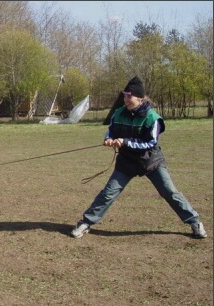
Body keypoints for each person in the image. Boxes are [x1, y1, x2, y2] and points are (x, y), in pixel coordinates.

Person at [71, 77, 207, 239]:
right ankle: (86, 222)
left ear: (140, 98)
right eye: (124, 96)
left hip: (150, 161)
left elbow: (150, 142)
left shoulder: (152, 118)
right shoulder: (118, 113)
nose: (126, 99)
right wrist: (109, 139)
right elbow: (112, 130)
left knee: (169, 192)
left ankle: (194, 221)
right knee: (108, 193)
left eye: (129, 96)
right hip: (126, 162)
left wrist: (124, 141)